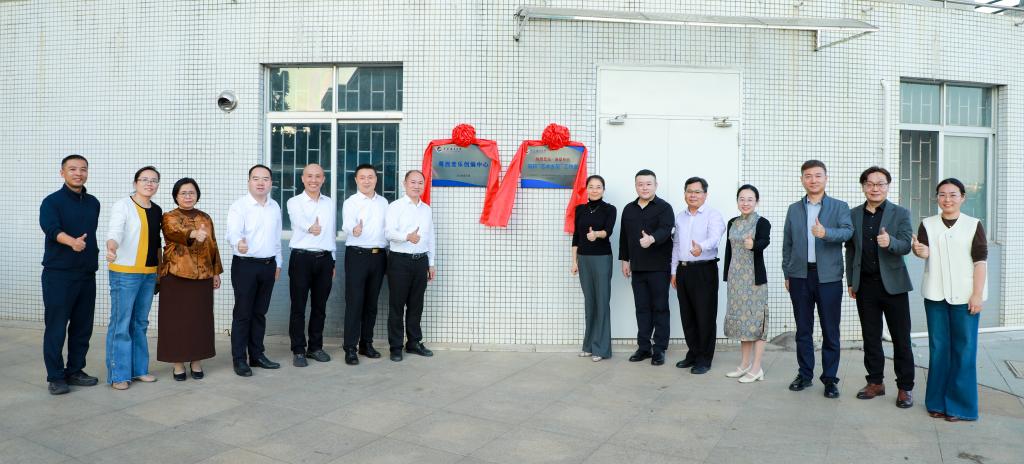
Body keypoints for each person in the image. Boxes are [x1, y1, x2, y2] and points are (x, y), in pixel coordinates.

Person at [912, 178, 987, 422]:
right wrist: (920, 251)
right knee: (938, 348)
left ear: (963, 197)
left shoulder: (973, 225)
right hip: (936, 295)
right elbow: (923, 250)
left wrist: (977, 294)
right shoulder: (928, 224)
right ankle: (936, 402)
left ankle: (960, 407)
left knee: (964, 349)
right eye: (942, 194)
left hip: (966, 297)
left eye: (953, 195)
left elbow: (980, 262)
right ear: (937, 198)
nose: (947, 199)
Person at [844, 167, 915, 408]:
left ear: (887, 186)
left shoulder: (900, 213)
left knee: (901, 338)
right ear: (863, 186)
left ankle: (905, 387)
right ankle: (875, 382)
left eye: (880, 183)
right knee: (871, 337)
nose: (875, 188)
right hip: (865, 285)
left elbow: (906, 245)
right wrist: (851, 280)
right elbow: (850, 249)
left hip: (894, 286)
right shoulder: (853, 214)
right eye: (870, 184)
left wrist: (890, 241)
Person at [782, 159, 853, 399]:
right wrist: (787, 273)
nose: (813, 180)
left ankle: (830, 379)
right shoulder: (794, 209)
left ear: (826, 178)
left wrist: (826, 233)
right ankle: (804, 374)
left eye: (818, 175)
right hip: (800, 276)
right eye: (808, 176)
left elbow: (848, 232)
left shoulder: (839, 206)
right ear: (802, 179)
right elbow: (787, 243)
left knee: (830, 330)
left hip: (828, 277)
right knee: (803, 329)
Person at [40, 154, 101, 395]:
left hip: (86, 274)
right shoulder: (51, 202)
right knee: (56, 328)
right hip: (59, 275)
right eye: (73, 169)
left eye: (83, 169)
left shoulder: (93, 202)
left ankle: (75, 370)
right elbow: (50, 229)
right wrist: (71, 242)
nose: (78, 173)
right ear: (62, 173)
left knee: (82, 327)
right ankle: (55, 377)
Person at [157, 178, 223, 381]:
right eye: (183, 193)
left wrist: (216, 272)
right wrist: (193, 233)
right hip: (175, 276)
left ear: (197, 195)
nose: (188, 196)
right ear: (176, 196)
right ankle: (178, 363)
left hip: (203, 276)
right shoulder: (169, 217)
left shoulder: (205, 217)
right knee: (175, 321)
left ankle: (196, 361)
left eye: (191, 192)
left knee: (199, 320)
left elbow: (212, 245)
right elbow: (174, 232)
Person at [105, 166, 163, 390]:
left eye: (154, 180)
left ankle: (139, 370)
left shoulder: (157, 210)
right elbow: (115, 231)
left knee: (140, 323)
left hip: (148, 274)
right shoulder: (123, 205)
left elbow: (156, 243)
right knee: (121, 324)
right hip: (125, 273)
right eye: (144, 179)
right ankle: (118, 374)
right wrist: (111, 247)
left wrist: (159, 272)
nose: (149, 184)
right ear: (135, 182)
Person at [227, 164, 283, 376]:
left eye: (265, 179)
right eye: (256, 178)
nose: (261, 183)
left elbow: (276, 238)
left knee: (260, 313)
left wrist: (278, 263)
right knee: (243, 313)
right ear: (249, 181)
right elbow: (232, 233)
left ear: (271, 183)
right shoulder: (239, 206)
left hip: (268, 266)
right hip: (245, 266)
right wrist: (238, 243)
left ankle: (257, 355)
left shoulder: (274, 206)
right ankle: (239, 359)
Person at [619, 169, 675, 366]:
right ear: (636, 186)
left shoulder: (664, 207)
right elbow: (624, 236)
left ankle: (659, 349)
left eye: (648, 184)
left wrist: (652, 238)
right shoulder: (628, 209)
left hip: (659, 267)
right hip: (637, 267)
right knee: (641, 308)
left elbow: (667, 229)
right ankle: (643, 347)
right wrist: (625, 260)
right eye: (640, 184)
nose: (644, 187)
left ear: (656, 185)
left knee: (660, 308)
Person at [671, 177, 725, 374]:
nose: (692, 195)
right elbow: (676, 245)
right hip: (683, 270)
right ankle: (693, 353)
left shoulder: (713, 215)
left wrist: (701, 247)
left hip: (704, 270)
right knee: (688, 315)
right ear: (684, 193)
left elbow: (715, 238)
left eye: (697, 192)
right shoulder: (680, 217)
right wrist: (673, 271)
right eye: (689, 191)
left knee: (705, 315)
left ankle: (704, 358)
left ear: (705, 194)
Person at [286, 164, 336, 367]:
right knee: (298, 306)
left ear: (323, 179)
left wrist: (333, 260)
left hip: (324, 259)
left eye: (318, 176)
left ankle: (315, 347)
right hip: (301, 259)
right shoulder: (294, 202)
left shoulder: (329, 203)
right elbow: (298, 220)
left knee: (319, 306)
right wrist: (310, 227)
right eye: (309, 176)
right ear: (302, 178)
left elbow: (330, 232)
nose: (313, 180)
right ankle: (298, 350)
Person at [385, 170, 436, 362]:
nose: (416, 186)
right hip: (399, 261)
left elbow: (430, 237)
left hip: (420, 261)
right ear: (405, 184)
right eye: (413, 182)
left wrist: (431, 263)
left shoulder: (426, 209)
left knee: (416, 305)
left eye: (420, 182)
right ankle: (396, 347)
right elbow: (388, 233)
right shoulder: (395, 207)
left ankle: (414, 342)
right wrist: (407, 236)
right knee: (397, 305)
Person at [341, 163, 390, 365]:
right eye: (362, 177)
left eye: (370, 177)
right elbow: (346, 224)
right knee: (355, 303)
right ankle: (350, 348)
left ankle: (366, 344)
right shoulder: (351, 202)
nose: (367, 181)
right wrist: (354, 230)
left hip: (379, 256)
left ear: (376, 179)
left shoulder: (384, 203)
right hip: (357, 256)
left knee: (371, 303)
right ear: (356, 180)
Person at [722, 184, 771, 383]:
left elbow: (765, 241)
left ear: (756, 202)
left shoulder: (762, 222)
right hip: (736, 280)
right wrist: (727, 275)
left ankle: (757, 368)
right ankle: (744, 365)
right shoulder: (732, 222)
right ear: (737, 201)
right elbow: (729, 250)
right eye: (742, 199)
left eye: (750, 199)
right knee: (743, 323)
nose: (745, 203)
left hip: (754, 281)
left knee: (756, 323)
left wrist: (754, 245)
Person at [571, 175, 616, 362]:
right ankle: (589, 346)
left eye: (598, 187)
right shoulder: (579, 209)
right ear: (586, 189)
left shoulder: (609, 209)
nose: (595, 190)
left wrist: (596, 234)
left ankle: (602, 348)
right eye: (591, 186)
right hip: (583, 259)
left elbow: (608, 231)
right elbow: (576, 236)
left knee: (602, 302)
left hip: (602, 258)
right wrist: (574, 261)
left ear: (603, 190)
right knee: (590, 302)